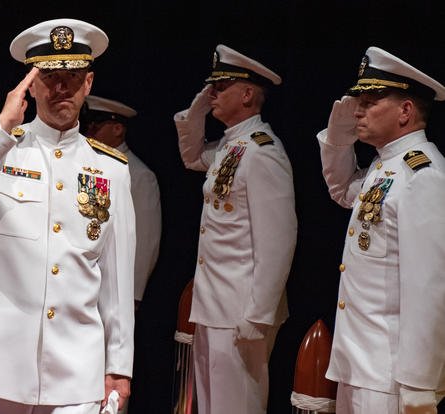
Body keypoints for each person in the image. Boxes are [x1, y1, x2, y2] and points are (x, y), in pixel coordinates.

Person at [0, 18, 136, 414]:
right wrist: (3, 125)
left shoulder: (111, 169)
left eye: (73, 76)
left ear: (88, 83)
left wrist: (119, 366)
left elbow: (117, 277)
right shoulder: (0, 148)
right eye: (51, 75)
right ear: (31, 83)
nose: (62, 87)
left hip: (76, 372)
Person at [317, 46, 445, 413]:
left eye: (371, 100)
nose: (358, 109)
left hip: (389, 376)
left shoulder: (423, 176)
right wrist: (338, 138)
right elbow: (342, 190)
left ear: (405, 111)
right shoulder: (385, 166)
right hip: (360, 364)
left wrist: (420, 385)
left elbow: (429, 289)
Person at [173, 44, 297, 414]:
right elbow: (192, 155)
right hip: (214, 305)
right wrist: (197, 109)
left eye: (220, 87)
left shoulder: (263, 152)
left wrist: (258, 314)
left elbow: (277, 241)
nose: (212, 94)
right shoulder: (233, 147)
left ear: (246, 94)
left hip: (242, 311)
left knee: (236, 406)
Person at [80, 95, 162, 311]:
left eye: (95, 127)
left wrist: (133, 293)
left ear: (117, 129)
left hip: (113, 284)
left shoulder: (138, 174)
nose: (88, 133)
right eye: (87, 126)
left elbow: (146, 239)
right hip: (80, 279)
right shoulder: (83, 165)